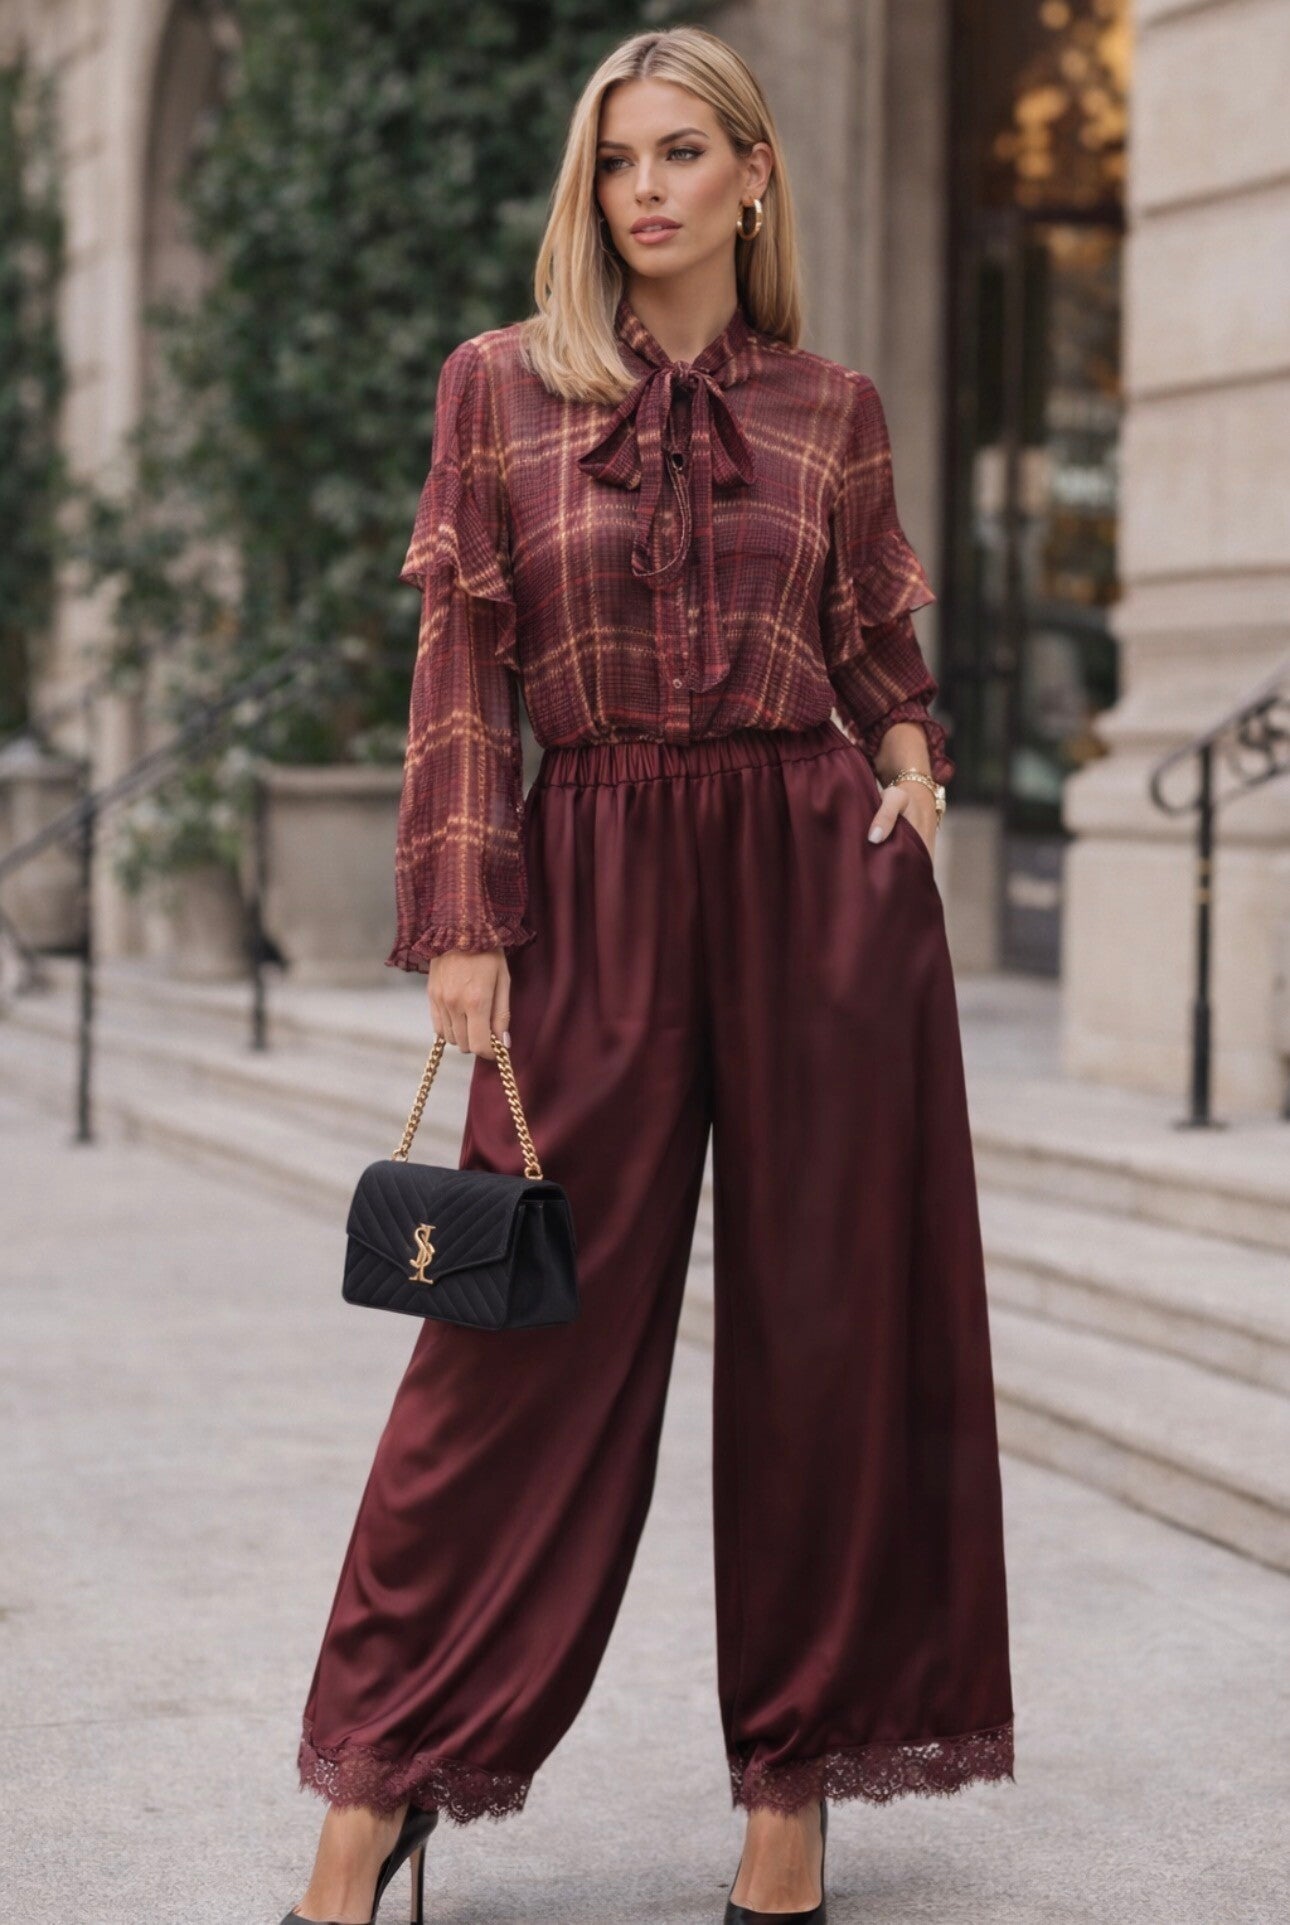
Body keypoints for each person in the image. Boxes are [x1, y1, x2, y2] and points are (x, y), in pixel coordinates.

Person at [281, 24, 1014, 1925]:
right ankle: (378, 1782)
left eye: (684, 153)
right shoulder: (499, 392)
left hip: (811, 884)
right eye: (619, 161)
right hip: (591, 873)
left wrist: (915, 776)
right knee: (510, 1345)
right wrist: (460, 921)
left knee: (833, 1337)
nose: (648, 190)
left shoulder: (832, 407)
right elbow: (461, 678)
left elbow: (878, 656)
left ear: (753, 176)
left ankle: (794, 1786)